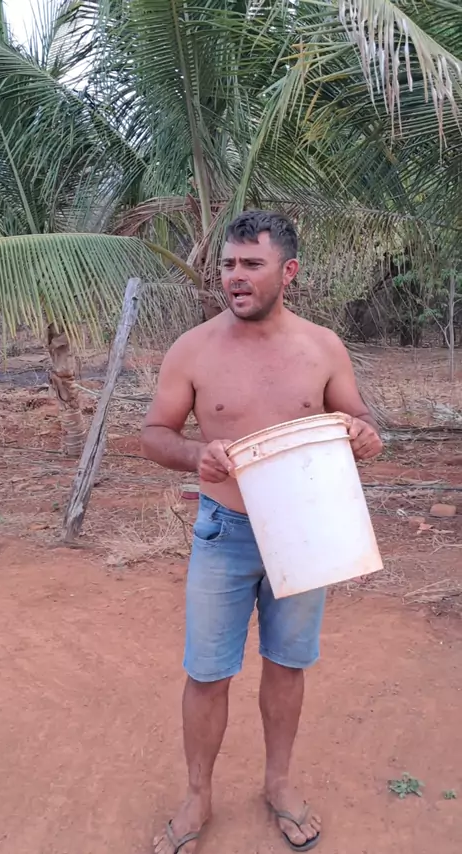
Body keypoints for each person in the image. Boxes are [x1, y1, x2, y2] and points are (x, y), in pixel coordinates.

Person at [142, 210, 383, 853]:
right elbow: (155, 433)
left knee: (286, 663)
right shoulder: (193, 349)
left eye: (252, 264)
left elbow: (358, 419)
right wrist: (196, 455)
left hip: (306, 531)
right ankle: (197, 795)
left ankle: (278, 783)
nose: (235, 276)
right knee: (207, 671)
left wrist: (363, 434)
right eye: (228, 264)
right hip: (223, 532)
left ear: (289, 271)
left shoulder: (322, 347)